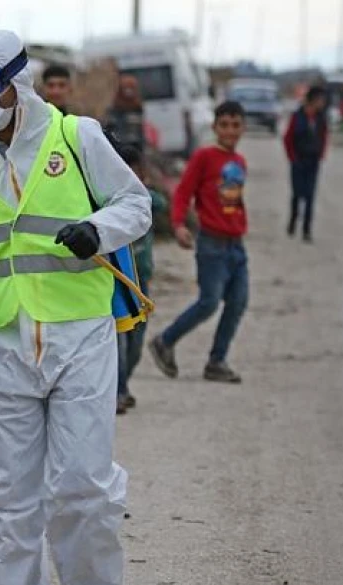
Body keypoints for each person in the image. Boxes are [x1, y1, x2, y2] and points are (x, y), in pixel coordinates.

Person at [0, 30, 151, 585]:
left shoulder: (75, 136)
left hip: (79, 333)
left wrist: (96, 232)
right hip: (2, 339)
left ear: (16, 83)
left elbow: (135, 205)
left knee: (82, 484)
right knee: (7, 500)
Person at [149, 101, 248, 384]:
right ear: (215, 127)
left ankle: (217, 361)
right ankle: (164, 341)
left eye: (236, 125)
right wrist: (178, 225)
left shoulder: (239, 162)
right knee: (209, 301)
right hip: (212, 244)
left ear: (242, 128)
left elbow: (232, 200)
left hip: (235, 244)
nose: (230, 131)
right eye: (224, 125)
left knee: (238, 302)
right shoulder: (204, 157)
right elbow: (183, 192)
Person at [115, 143, 163, 414]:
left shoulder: (145, 199)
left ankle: (123, 386)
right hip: (118, 282)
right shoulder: (110, 202)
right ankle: (118, 391)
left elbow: (160, 203)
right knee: (120, 339)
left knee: (136, 342)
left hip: (140, 283)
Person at [282, 85, 328, 242]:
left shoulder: (321, 118)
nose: (322, 103)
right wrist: (292, 157)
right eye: (320, 100)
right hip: (298, 159)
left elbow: (324, 137)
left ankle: (307, 229)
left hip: (313, 161)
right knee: (297, 194)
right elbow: (288, 138)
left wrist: (321, 154)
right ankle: (293, 221)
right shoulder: (297, 116)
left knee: (310, 195)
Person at [104, 74, 147, 154]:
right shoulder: (115, 107)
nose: (128, 91)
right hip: (119, 145)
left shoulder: (137, 107)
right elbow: (109, 126)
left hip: (135, 145)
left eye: (130, 88)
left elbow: (140, 129)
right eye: (126, 88)